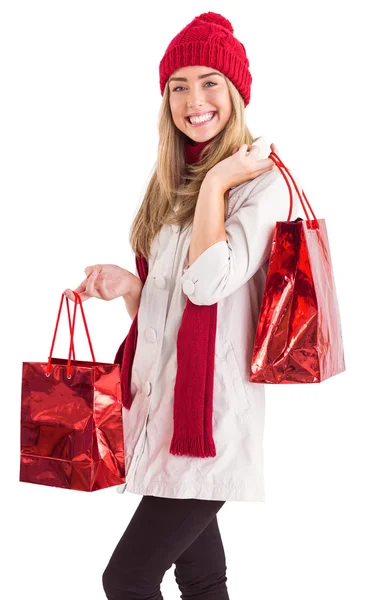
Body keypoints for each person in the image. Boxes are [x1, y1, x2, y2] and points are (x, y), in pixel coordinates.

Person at [64, 11, 300, 600]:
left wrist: (220, 182)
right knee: (201, 579)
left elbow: (206, 286)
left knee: (127, 578)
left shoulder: (255, 182)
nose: (194, 99)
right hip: (164, 414)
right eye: (178, 85)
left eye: (209, 81)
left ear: (236, 91)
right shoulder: (177, 180)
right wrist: (132, 288)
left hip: (211, 424)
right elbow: (169, 319)